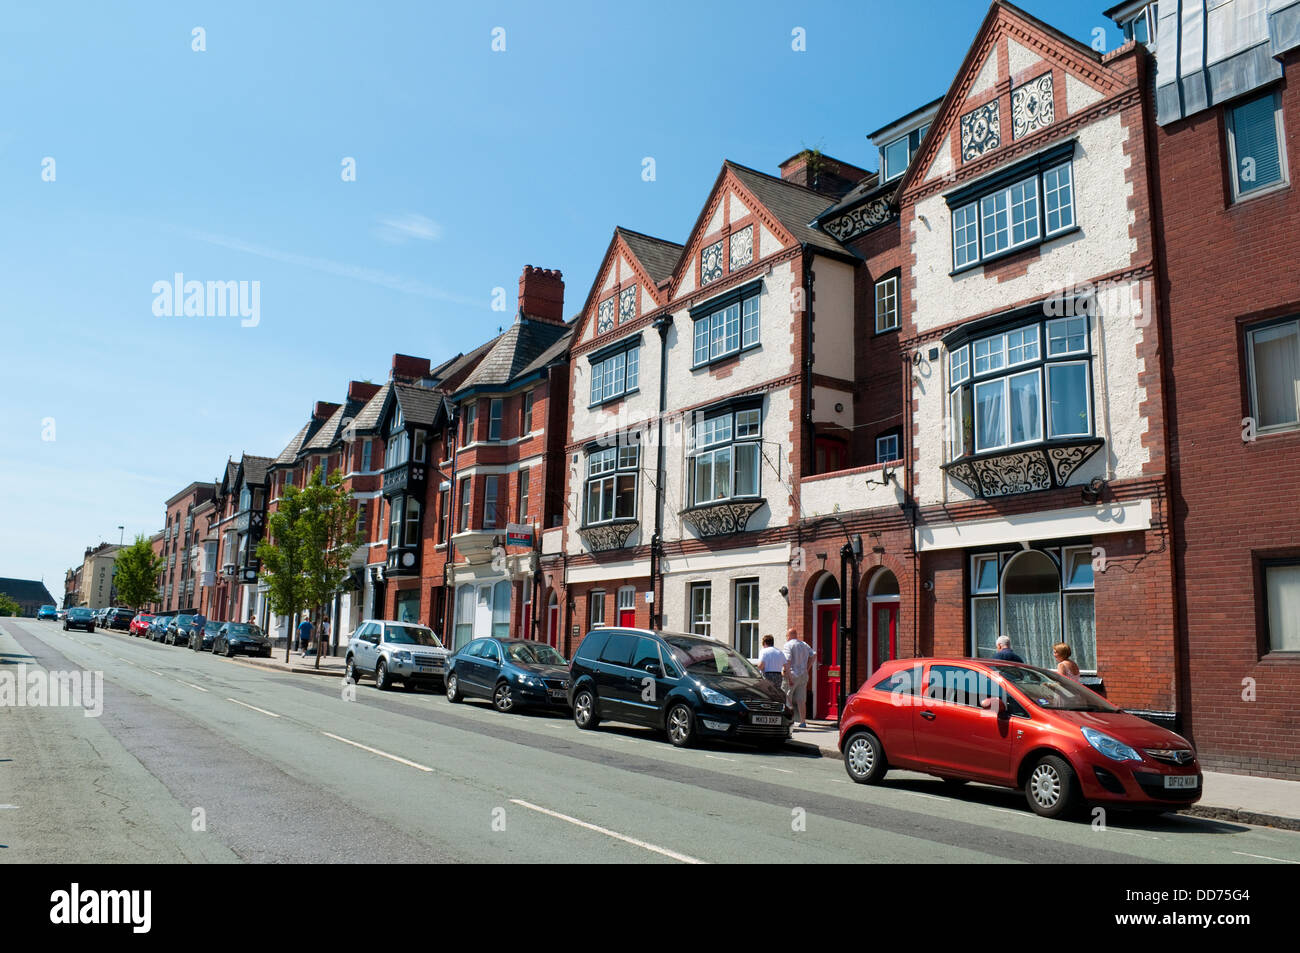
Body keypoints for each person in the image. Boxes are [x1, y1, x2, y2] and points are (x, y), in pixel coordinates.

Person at [783, 627, 815, 727]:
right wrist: (807, 668)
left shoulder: (788, 645)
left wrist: (788, 675)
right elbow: (814, 655)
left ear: (789, 636)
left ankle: (790, 720)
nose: (786, 637)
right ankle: (803, 721)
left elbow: (787, 661)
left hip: (792, 674)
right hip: (803, 674)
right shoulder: (804, 644)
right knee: (801, 699)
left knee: (787, 697)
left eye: (787, 635)